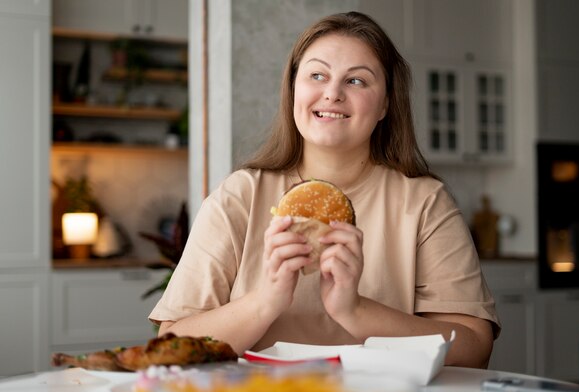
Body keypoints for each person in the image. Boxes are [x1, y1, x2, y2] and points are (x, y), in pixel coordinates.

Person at [150, 11, 500, 368]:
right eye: (317, 75)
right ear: (293, 90)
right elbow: (171, 345)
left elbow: (473, 349)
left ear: (385, 104)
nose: (332, 93)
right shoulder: (240, 196)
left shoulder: (424, 203)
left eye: (357, 81)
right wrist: (265, 302)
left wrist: (356, 311)